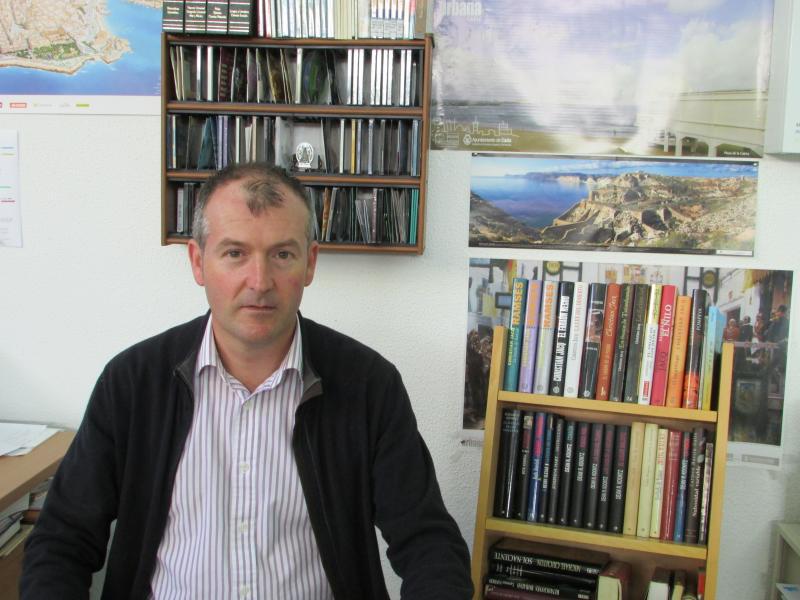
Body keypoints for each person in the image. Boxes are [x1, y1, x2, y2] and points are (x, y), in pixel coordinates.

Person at [20, 164, 473, 599]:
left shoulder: (369, 385)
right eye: (235, 253)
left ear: (310, 263)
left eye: (282, 254)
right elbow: (61, 541)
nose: (260, 282)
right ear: (198, 262)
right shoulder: (132, 383)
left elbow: (428, 543)